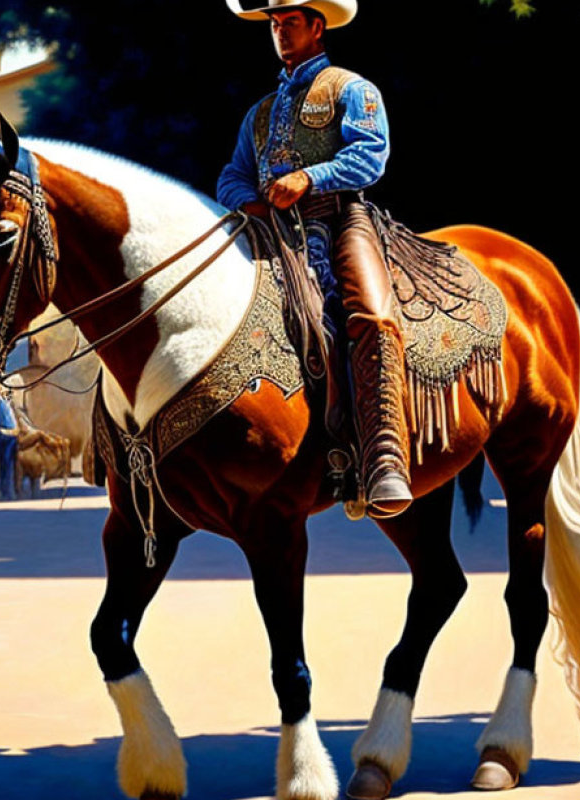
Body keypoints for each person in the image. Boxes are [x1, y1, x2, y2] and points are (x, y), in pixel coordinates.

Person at [218, 0, 411, 518]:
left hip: (341, 218)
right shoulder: (258, 114)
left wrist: (310, 177)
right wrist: (249, 200)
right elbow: (230, 175)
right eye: (275, 25)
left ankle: (385, 455)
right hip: (270, 229)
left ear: (318, 27)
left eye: (291, 23)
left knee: (371, 313)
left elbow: (370, 154)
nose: (280, 33)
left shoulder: (351, 89)